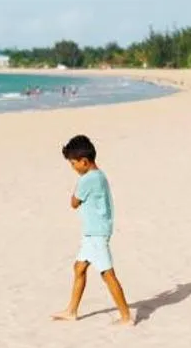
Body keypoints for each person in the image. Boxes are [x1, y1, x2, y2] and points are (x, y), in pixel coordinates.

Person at [53, 134, 134, 326]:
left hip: (96, 233)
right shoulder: (100, 175)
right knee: (79, 268)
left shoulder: (88, 179)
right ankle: (72, 310)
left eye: (73, 164)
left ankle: (126, 316)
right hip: (93, 232)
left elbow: (74, 203)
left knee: (107, 274)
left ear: (84, 161)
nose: (73, 168)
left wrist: (76, 188)